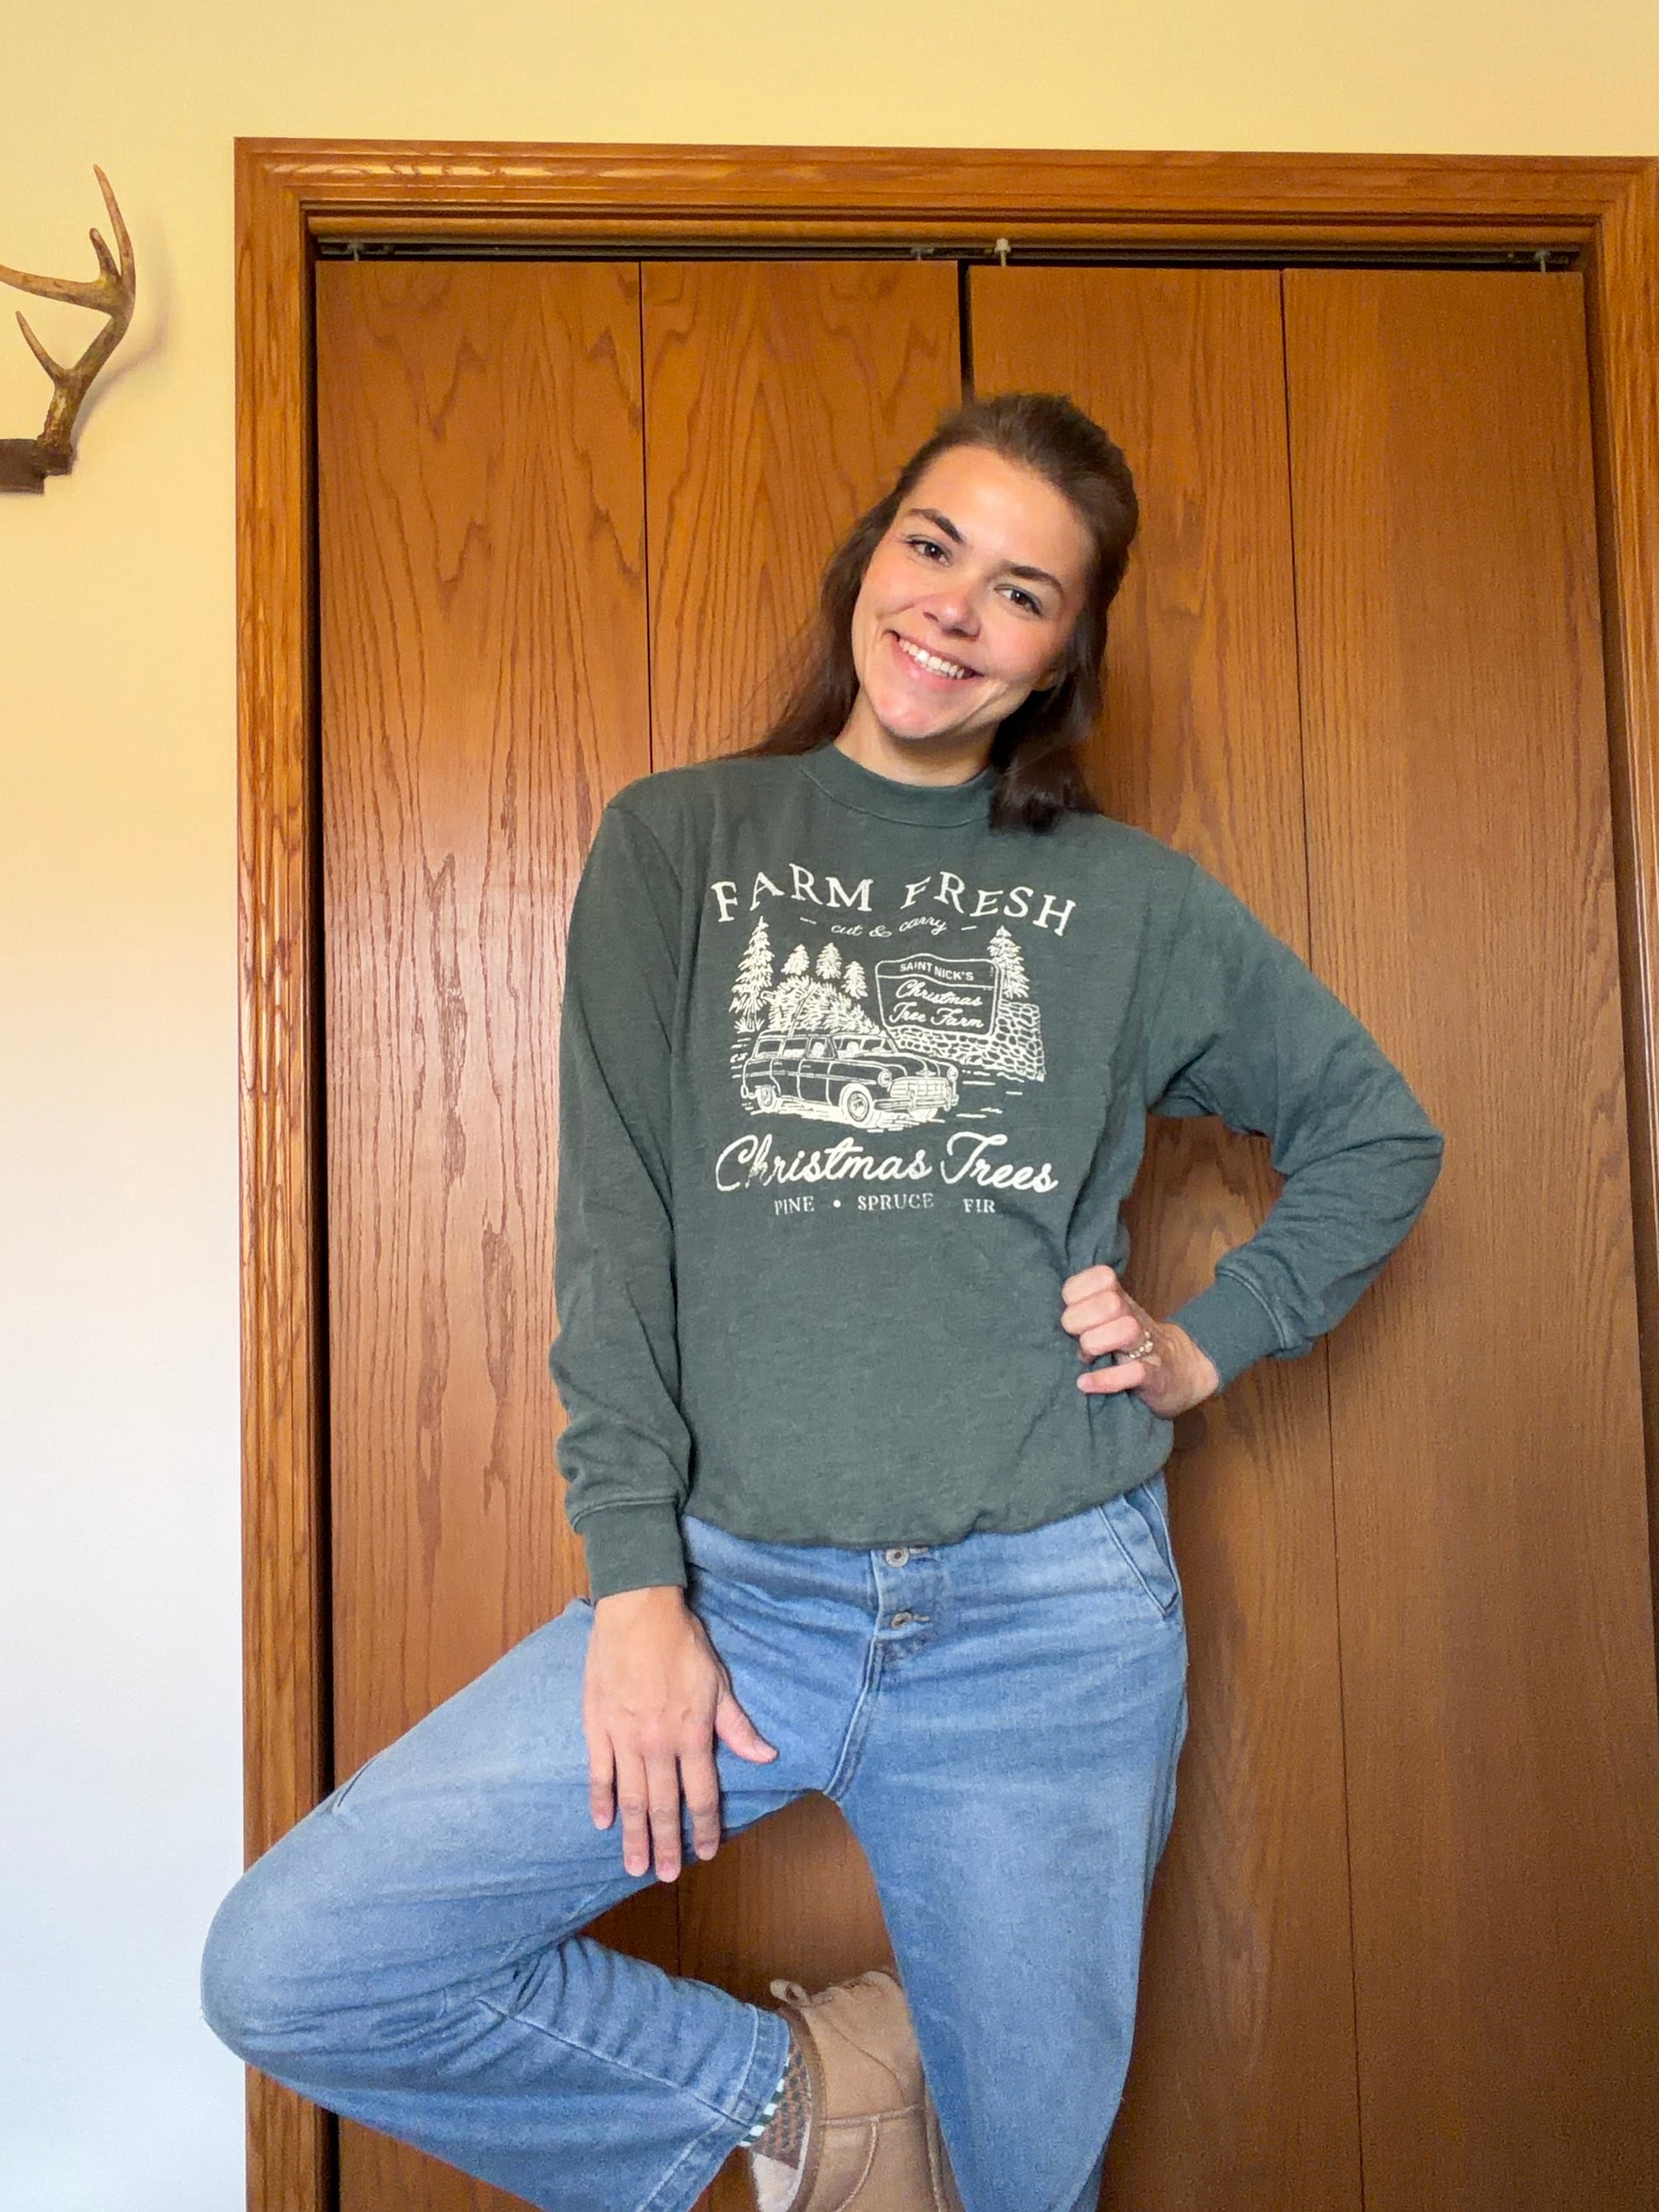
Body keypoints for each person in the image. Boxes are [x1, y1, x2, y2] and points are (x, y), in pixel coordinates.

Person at [200, 391, 1445, 2212]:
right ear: (871, 556)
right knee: (298, 1963)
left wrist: (1206, 1340)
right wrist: (640, 1586)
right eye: (934, 546)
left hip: (1049, 1614)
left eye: (1021, 591)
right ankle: (807, 2095)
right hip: (735, 1602)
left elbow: (1374, 1132)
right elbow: (615, 1231)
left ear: (1062, 655)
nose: (954, 608)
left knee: (1028, 2183)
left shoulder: (1127, 902)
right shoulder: (680, 843)